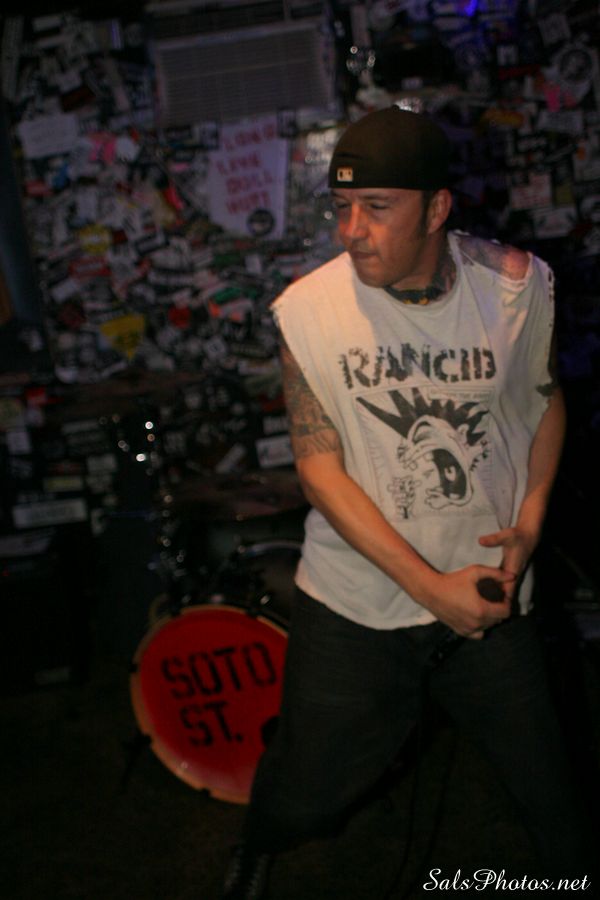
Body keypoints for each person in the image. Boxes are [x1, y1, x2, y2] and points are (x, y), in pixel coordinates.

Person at [222, 106, 592, 899]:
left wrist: (530, 524)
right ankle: (258, 849)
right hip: (355, 604)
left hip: (488, 594)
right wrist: (429, 589)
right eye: (341, 207)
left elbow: (544, 400)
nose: (351, 230)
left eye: (377, 207)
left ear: (436, 208)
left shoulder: (517, 288)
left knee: (555, 798)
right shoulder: (309, 312)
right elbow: (319, 471)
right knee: (306, 789)